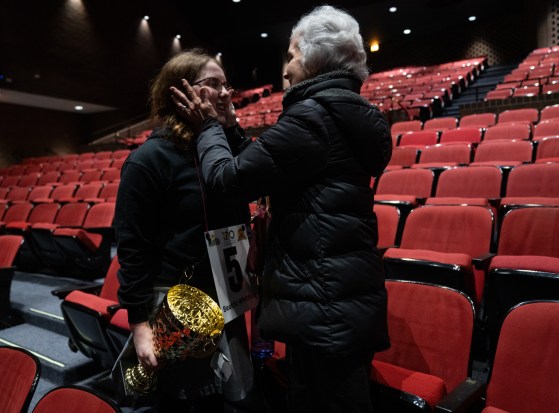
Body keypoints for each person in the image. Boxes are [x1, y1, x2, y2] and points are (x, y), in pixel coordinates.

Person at [171, 5, 391, 413]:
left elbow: (226, 180)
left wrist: (208, 127)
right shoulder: (352, 115)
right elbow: (275, 166)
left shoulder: (312, 118)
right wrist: (233, 130)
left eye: (291, 55)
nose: (286, 69)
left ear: (313, 58)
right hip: (343, 296)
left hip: (321, 300)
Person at [114, 48, 253, 412]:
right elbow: (132, 247)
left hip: (227, 290)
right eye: (213, 85)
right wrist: (139, 325)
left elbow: (248, 183)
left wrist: (230, 127)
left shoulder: (221, 149)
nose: (226, 93)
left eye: (227, 86)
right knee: (185, 400)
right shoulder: (149, 160)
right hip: (179, 304)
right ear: (180, 92)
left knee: (228, 396)